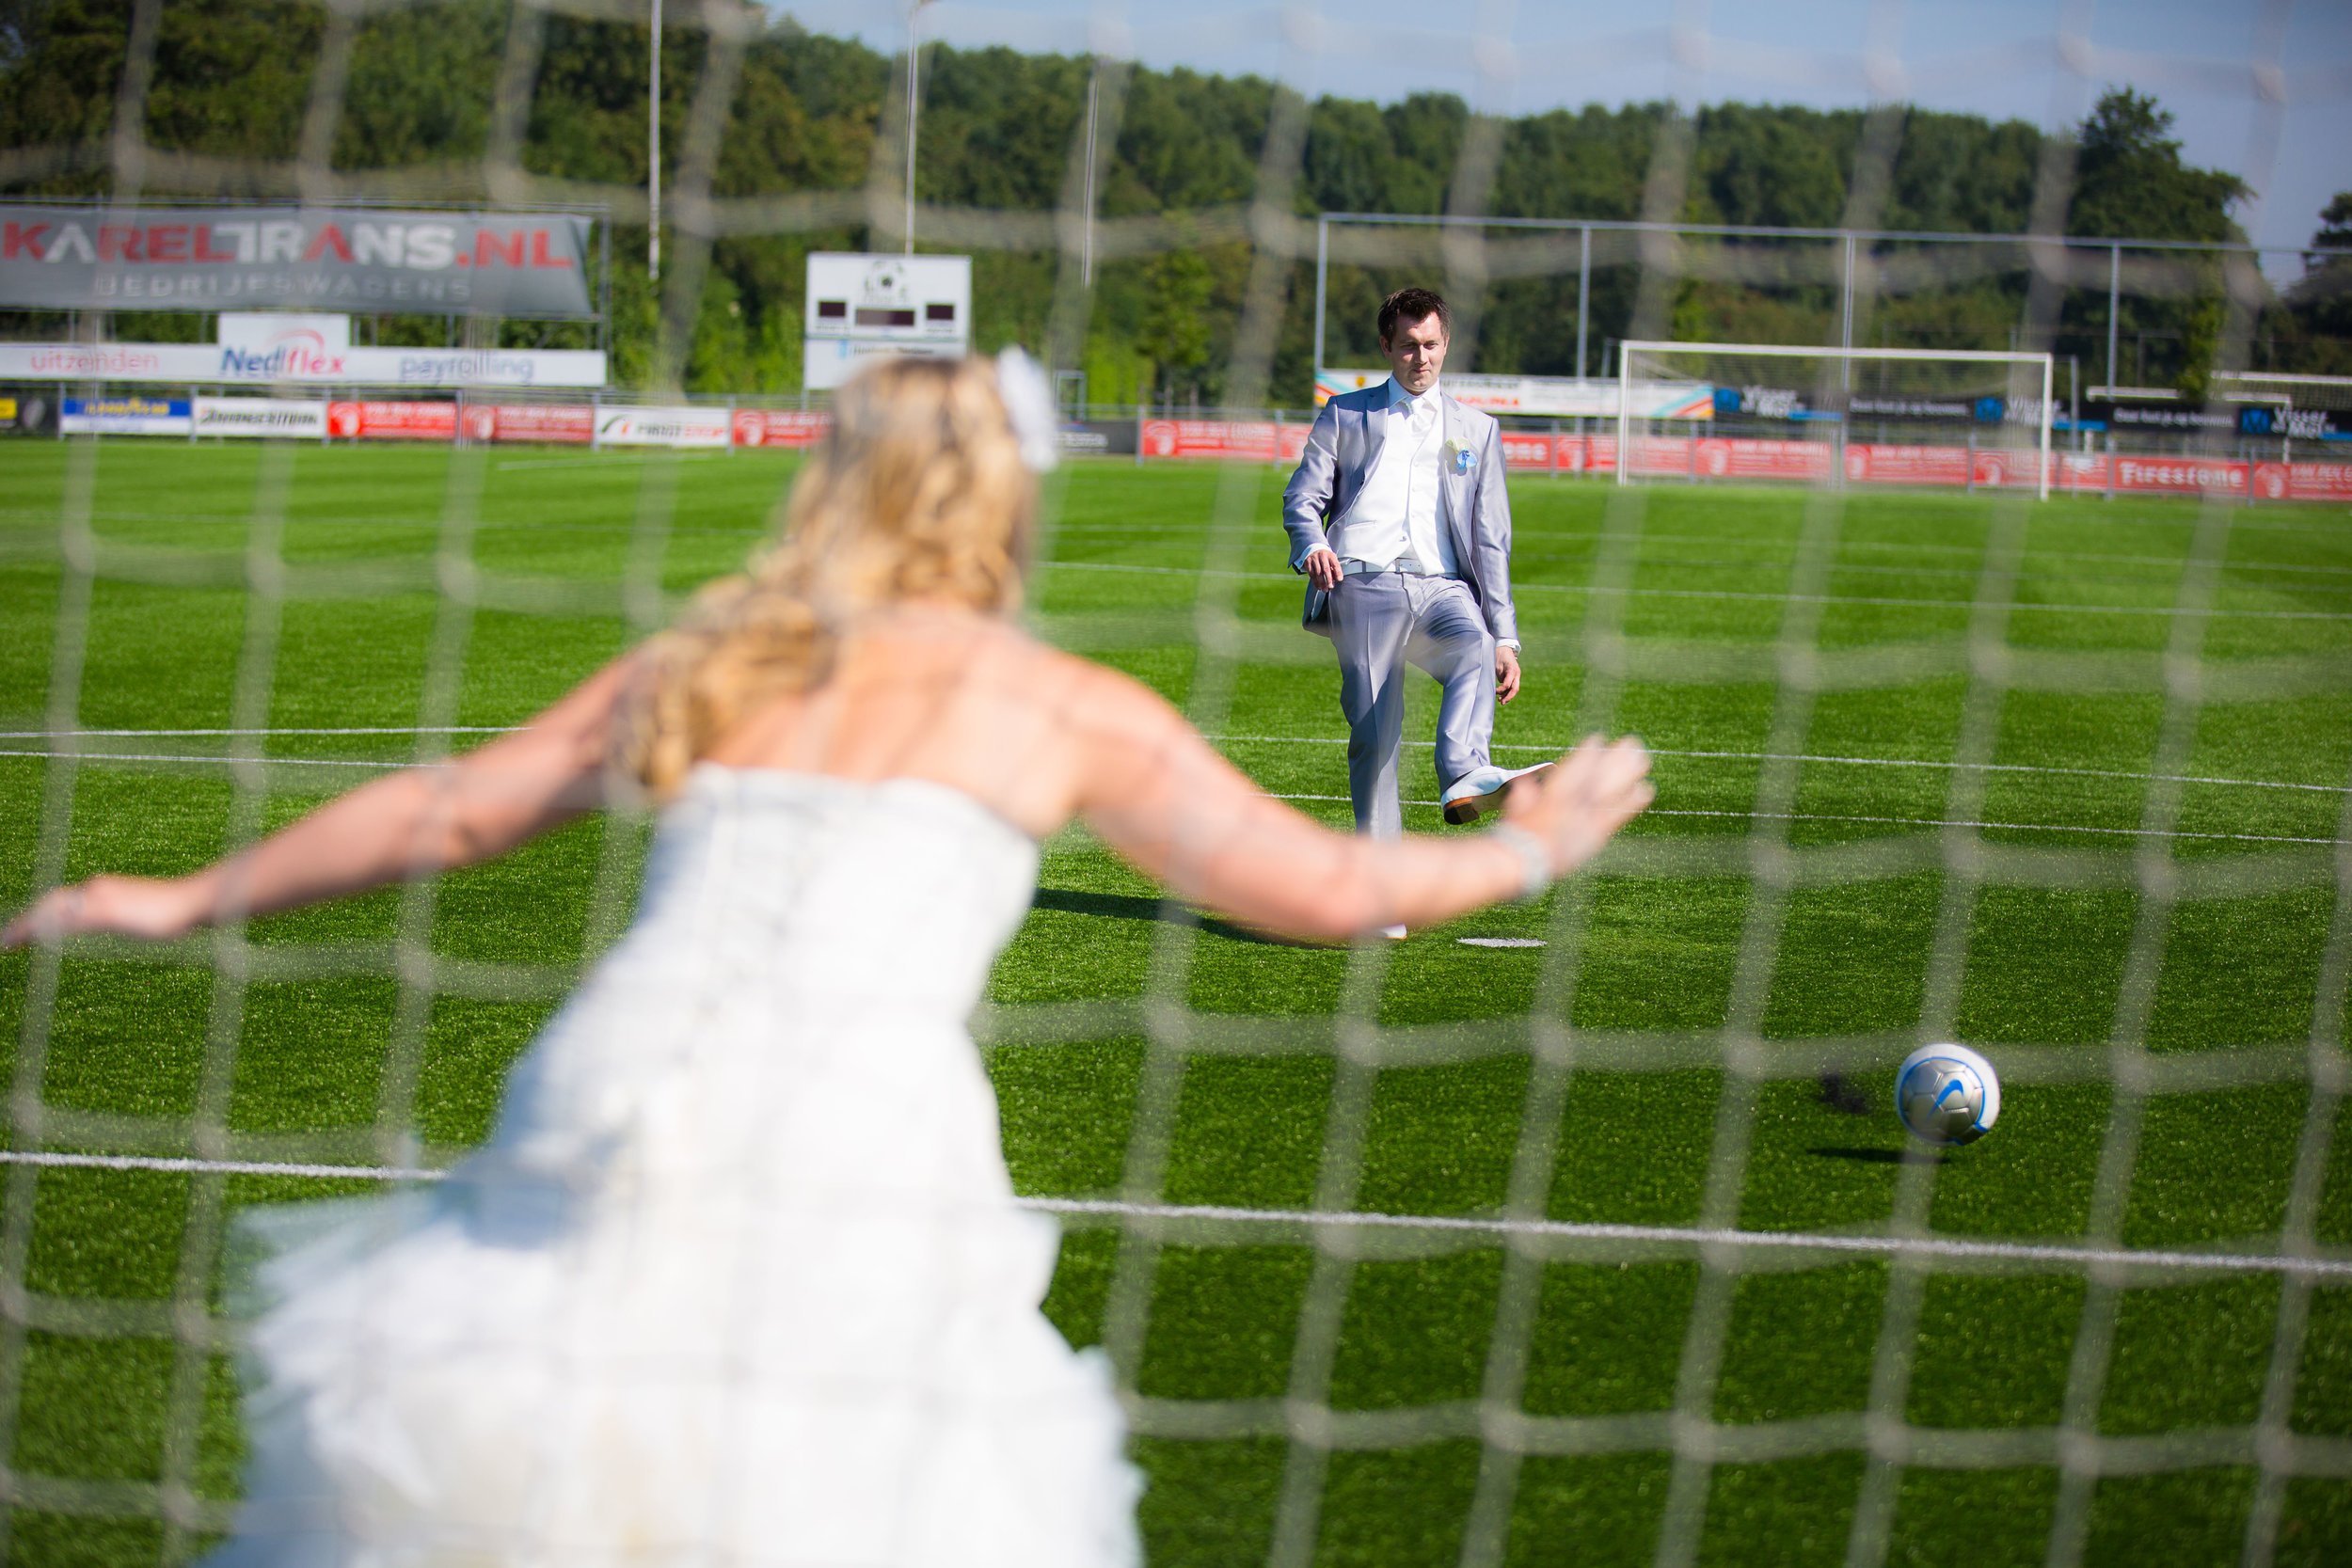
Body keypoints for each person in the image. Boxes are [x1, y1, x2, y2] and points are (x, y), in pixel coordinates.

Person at [3, 352, 1653, 1567]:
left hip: (618, 1093)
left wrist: (175, 895)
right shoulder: (1058, 703)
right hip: (860, 1145)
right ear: (1004, 501)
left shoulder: (719, 655)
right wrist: (1528, 844)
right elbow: (1312, 883)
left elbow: (448, 811)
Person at [1283, 288, 1551, 931]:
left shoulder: (1477, 431)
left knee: (1475, 648)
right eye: (1408, 345)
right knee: (1376, 736)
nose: (1420, 356)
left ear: (1446, 345)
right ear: (1386, 348)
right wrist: (1314, 545)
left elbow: (1491, 540)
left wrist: (1506, 635)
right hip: (1363, 583)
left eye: (1431, 344)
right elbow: (1302, 499)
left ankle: (1466, 773)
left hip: (1443, 590)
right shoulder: (1345, 416)